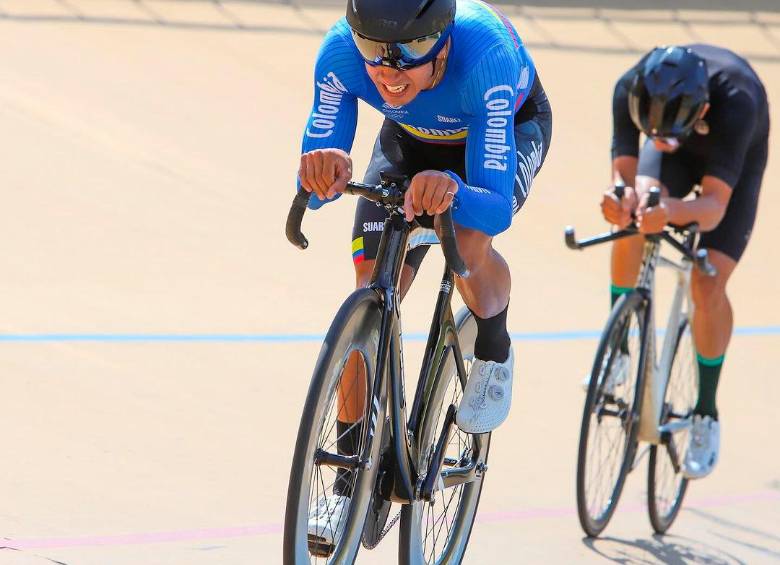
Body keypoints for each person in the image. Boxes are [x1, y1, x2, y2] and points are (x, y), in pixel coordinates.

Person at [297, 0, 552, 547]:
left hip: (501, 133)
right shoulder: (341, 52)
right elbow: (318, 166)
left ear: (442, 38)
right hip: (410, 140)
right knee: (369, 291)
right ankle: (348, 485)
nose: (389, 70)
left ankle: (494, 345)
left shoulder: (484, 56)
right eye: (374, 50)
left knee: (466, 240)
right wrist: (324, 169)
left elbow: (495, 207)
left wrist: (453, 188)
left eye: (410, 51)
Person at [601, 44, 769, 480]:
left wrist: (672, 212)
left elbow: (713, 208)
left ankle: (706, 412)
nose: (657, 138)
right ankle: (617, 346)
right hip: (675, 147)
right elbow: (624, 173)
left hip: (732, 159)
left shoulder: (737, 106)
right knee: (634, 221)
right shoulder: (629, 88)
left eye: (665, 133)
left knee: (706, 281)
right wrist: (623, 198)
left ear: (702, 110)